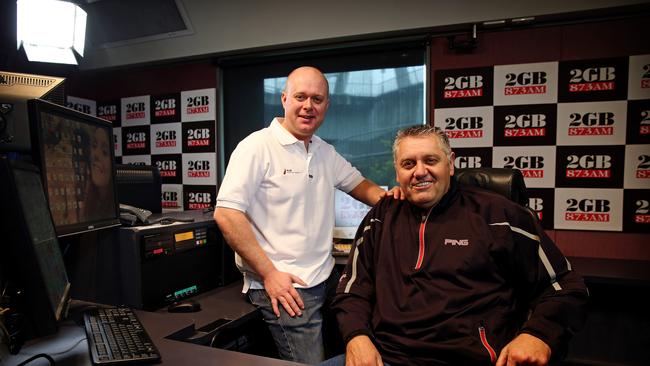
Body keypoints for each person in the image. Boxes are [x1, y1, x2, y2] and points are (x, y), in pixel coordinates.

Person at [327, 125, 588, 366]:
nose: (419, 171)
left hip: (468, 359)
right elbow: (352, 290)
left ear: (450, 164)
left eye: (430, 160)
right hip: (386, 358)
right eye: (408, 163)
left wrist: (538, 335)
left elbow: (564, 285)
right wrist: (356, 337)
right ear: (397, 171)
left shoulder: (499, 216)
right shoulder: (381, 216)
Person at [214, 66, 399, 364]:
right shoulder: (256, 147)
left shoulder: (324, 151)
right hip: (284, 284)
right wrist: (269, 274)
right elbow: (227, 213)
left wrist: (396, 200)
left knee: (360, 347)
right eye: (300, 96)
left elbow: (359, 185)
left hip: (325, 278)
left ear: (326, 106)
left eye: (317, 99)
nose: (308, 106)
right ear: (285, 99)